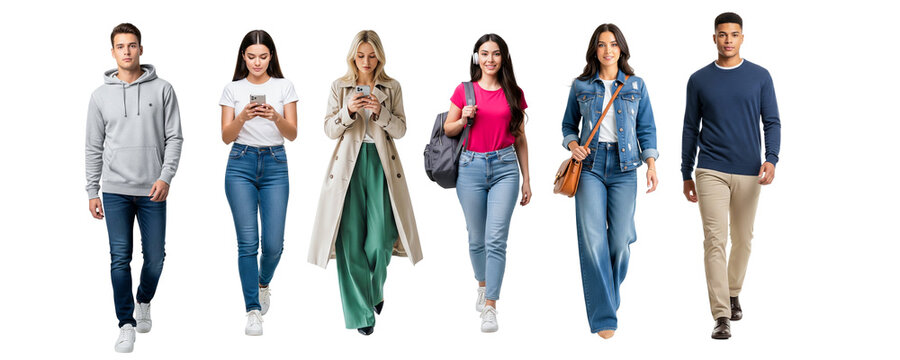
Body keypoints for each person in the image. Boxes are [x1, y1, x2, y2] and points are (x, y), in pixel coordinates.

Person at [308, 30, 422, 336]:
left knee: (382, 238)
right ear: (352, 57)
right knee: (350, 240)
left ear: (380, 56)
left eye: (372, 55)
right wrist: (348, 111)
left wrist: (380, 112)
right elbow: (329, 130)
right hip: (348, 167)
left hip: (381, 166)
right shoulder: (340, 86)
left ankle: (374, 290)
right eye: (361, 55)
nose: (367, 61)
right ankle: (361, 314)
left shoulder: (392, 86)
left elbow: (400, 130)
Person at [681, 12, 781, 340]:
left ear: (742, 38)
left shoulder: (760, 77)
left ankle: (734, 290)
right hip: (710, 169)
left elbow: (772, 122)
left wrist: (771, 159)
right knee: (715, 240)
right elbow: (689, 128)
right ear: (714, 38)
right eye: (722, 35)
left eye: (734, 35)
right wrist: (686, 172)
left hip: (751, 171)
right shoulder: (698, 80)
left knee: (743, 238)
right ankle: (721, 314)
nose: (728, 40)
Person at [85, 23, 183, 353]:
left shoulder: (163, 89)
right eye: (120, 46)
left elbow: (175, 137)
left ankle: (144, 299)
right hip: (114, 190)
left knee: (155, 258)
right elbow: (93, 146)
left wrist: (166, 176)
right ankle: (125, 322)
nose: (127, 51)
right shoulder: (100, 96)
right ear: (113, 52)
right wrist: (91, 191)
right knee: (119, 258)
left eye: (132, 45)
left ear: (141, 48)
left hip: (153, 189)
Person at [561, 23, 658, 339]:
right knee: (593, 241)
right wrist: (572, 144)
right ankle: (605, 316)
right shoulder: (581, 85)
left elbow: (647, 129)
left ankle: (608, 297)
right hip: (589, 166)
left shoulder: (635, 85)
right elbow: (567, 126)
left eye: (613, 44)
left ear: (621, 49)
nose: (607, 50)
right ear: (595, 50)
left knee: (620, 242)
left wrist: (651, 165)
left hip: (625, 166)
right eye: (602, 45)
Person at [443, 33, 531, 333]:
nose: (490, 59)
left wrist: (527, 179)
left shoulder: (513, 93)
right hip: (470, 168)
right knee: (475, 238)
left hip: (506, 167)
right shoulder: (464, 91)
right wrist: (464, 117)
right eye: (484, 53)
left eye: (495, 54)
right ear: (476, 57)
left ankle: (491, 305)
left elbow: (519, 136)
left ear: (503, 57)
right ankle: (482, 284)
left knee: (496, 239)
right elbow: (448, 128)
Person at [220, 29, 298, 336]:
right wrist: (242, 117)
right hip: (240, 164)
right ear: (243, 57)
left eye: (263, 56)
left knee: (274, 245)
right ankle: (252, 310)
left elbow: (292, 133)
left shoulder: (284, 86)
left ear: (272, 57)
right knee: (247, 244)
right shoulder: (232, 89)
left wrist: (275, 116)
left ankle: (263, 282)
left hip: (276, 165)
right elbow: (226, 136)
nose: (257, 62)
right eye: (251, 57)